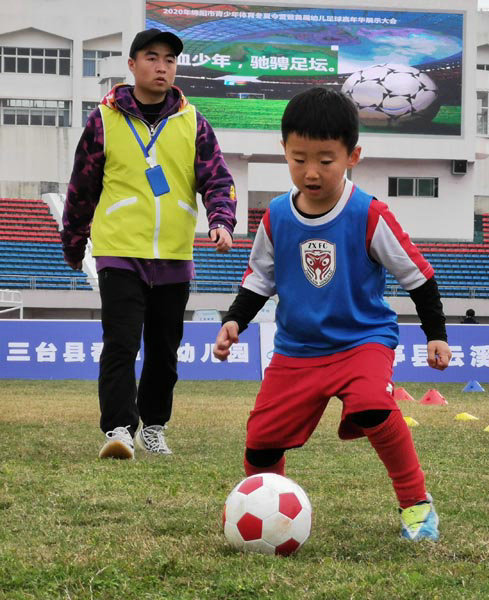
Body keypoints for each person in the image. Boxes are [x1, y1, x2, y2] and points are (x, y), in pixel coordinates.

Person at [213, 87, 451, 542]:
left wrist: (435, 334)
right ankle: (264, 512)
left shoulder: (369, 214)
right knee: (260, 441)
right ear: (284, 150)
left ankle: (416, 504)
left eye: (326, 159)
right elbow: (259, 279)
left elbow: (418, 276)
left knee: (373, 406)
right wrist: (234, 321)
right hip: (297, 351)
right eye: (299, 158)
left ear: (352, 156)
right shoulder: (276, 217)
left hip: (362, 342)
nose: (311, 171)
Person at [61, 29, 237, 460]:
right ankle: (118, 429)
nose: (162, 66)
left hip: (175, 255)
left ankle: (154, 426)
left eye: (170, 60)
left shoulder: (193, 121)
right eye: (152, 57)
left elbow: (217, 179)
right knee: (121, 343)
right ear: (133, 64)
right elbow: (82, 185)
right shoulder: (103, 120)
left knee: (164, 351)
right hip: (119, 251)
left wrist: (221, 220)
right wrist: (74, 239)